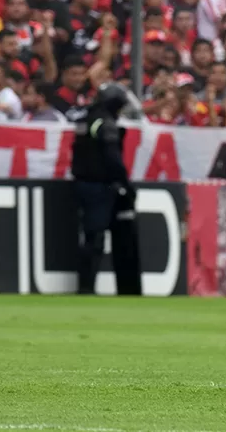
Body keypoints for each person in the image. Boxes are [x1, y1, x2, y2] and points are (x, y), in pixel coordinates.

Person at [70, 82, 140, 295]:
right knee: (97, 238)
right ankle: (87, 287)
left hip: (83, 183)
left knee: (90, 236)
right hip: (100, 186)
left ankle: (86, 284)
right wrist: (126, 185)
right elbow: (112, 158)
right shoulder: (104, 123)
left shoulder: (85, 119)